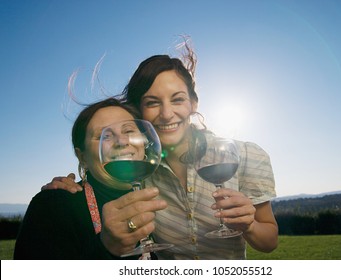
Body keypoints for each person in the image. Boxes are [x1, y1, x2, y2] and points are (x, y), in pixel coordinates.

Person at [43, 40, 278, 259]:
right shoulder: (139, 170)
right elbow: (101, 166)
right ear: (139, 111)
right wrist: (62, 190)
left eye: (177, 100)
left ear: (193, 104)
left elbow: (269, 241)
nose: (166, 114)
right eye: (152, 103)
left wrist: (250, 226)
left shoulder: (245, 155)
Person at [14, 98, 167, 259]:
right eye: (105, 136)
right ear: (83, 157)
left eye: (129, 131)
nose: (121, 141)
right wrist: (107, 248)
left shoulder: (156, 195)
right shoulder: (51, 206)